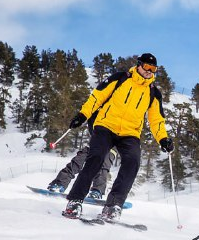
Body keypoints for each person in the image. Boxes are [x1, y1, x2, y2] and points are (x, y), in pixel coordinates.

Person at [61, 53, 174, 221]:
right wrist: (83, 115)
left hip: (130, 133)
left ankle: (113, 205)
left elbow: (156, 120)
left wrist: (163, 139)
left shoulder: (153, 93)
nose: (149, 71)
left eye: (153, 69)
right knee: (96, 157)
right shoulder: (120, 78)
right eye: (146, 67)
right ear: (138, 65)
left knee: (133, 162)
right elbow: (97, 97)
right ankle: (75, 201)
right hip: (106, 126)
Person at [47, 118, 118, 199]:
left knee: (103, 166)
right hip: (95, 142)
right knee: (78, 160)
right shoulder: (96, 111)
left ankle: (97, 191)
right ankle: (59, 183)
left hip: (111, 146)